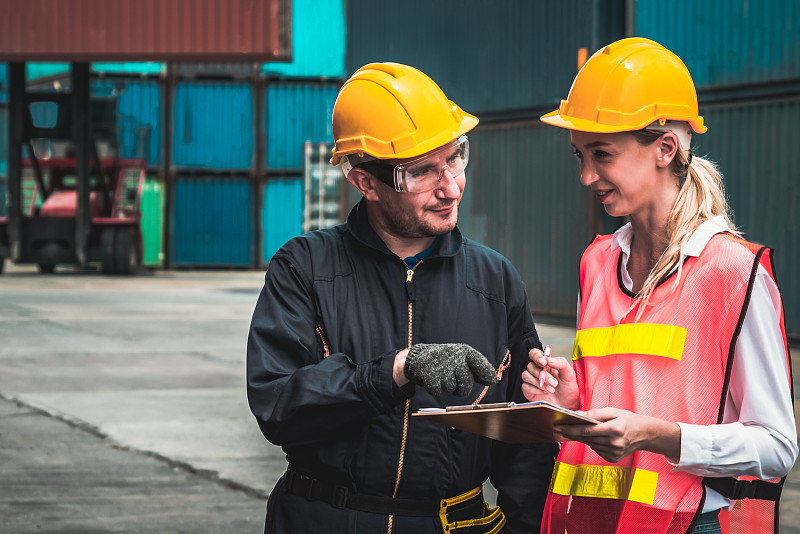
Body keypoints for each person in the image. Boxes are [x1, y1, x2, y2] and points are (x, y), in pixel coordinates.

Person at [247, 62, 558, 534]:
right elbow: (280, 408)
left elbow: (524, 446)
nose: (450, 187)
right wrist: (396, 371)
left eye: (455, 159)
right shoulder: (305, 269)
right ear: (363, 182)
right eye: (421, 173)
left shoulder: (496, 282)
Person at [520, 37, 797, 534]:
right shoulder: (597, 262)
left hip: (693, 522)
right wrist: (570, 402)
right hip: (596, 521)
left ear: (665, 149)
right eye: (578, 156)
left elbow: (776, 448)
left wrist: (663, 437)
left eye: (601, 154)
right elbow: (622, 403)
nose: (586, 176)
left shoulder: (732, 271)